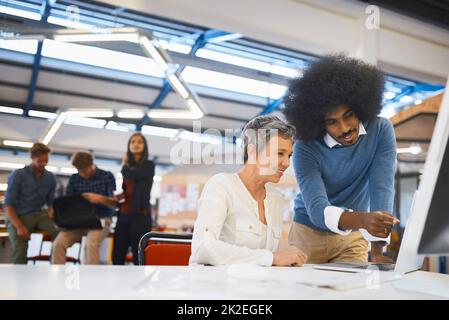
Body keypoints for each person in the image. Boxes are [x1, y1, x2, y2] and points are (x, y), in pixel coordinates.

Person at [283, 54, 400, 264]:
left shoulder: (381, 130)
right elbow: (318, 209)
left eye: (349, 115)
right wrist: (363, 219)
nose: (345, 128)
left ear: (361, 107)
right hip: (308, 232)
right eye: (332, 122)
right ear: (320, 123)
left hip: (353, 236)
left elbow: (381, 189)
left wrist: (377, 250)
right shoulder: (305, 147)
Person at [189, 115, 308, 267]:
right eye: (279, 153)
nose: (286, 163)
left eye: (289, 155)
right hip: (214, 286)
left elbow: (266, 257)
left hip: (256, 287)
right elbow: (202, 248)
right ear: (252, 152)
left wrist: (287, 256)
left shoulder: (276, 198)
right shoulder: (221, 186)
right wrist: (272, 258)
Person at [52, 152, 117, 264]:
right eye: (78, 170)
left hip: (100, 219)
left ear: (92, 164)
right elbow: (68, 203)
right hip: (78, 221)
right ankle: (59, 277)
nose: (81, 173)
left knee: (91, 244)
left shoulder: (107, 176)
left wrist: (99, 198)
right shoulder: (74, 179)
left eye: (84, 170)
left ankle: (91, 280)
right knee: (58, 244)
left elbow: (114, 203)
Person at [4, 142, 58, 264]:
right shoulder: (18, 175)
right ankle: (19, 279)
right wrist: (19, 226)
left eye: (46, 160)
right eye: (40, 161)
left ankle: (55, 267)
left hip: (39, 214)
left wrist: (51, 210)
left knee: (59, 232)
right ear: (32, 158)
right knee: (21, 250)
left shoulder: (50, 178)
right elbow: (8, 204)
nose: (44, 164)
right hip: (18, 216)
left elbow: (51, 202)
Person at [112, 133, 155, 265]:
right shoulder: (127, 168)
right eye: (133, 142)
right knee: (118, 254)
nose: (136, 144)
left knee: (139, 255)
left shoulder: (148, 165)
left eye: (139, 142)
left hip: (140, 215)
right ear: (129, 146)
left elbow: (134, 175)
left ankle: (140, 284)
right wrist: (120, 196)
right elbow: (128, 190)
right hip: (124, 214)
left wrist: (124, 166)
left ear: (144, 146)